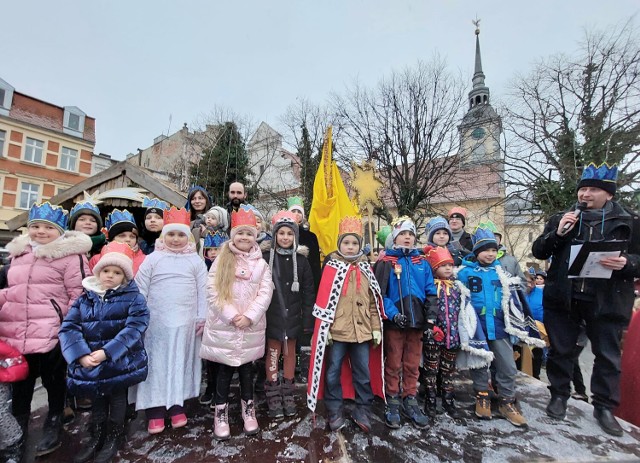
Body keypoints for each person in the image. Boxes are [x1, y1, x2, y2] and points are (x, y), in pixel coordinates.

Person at [532, 162, 640, 436]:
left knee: (607, 355)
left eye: (592, 190)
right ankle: (559, 395)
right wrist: (558, 233)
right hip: (565, 298)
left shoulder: (630, 222)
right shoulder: (563, 218)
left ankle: (604, 406)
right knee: (561, 350)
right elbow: (540, 251)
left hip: (607, 299)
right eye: (583, 189)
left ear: (609, 194)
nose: (585, 195)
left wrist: (627, 262)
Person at [0, 202, 91, 458]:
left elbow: (79, 294)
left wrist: (68, 327)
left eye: (47, 227)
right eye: (35, 226)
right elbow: (12, 290)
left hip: (52, 331)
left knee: (53, 381)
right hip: (17, 332)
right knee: (20, 387)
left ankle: (54, 421)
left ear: (59, 231)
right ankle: (15, 436)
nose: (40, 232)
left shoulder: (71, 256)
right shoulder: (19, 255)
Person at [59, 242, 149, 463]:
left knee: (118, 398)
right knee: (97, 398)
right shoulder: (85, 298)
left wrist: (108, 352)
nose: (110, 276)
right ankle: (97, 434)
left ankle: (114, 435)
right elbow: (69, 327)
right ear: (98, 272)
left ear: (125, 276)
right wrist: (80, 354)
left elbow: (135, 327)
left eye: (117, 272)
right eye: (106, 271)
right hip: (90, 359)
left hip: (119, 360)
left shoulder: (134, 298)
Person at [131, 207, 208, 434]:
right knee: (157, 364)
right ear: (164, 236)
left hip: (185, 322)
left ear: (188, 238)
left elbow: (203, 291)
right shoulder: (152, 259)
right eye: (171, 235)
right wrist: (139, 317)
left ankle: (177, 405)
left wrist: (201, 316)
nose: (176, 239)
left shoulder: (195, 261)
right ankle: (154, 409)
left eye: (181, 235)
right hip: (157, 324)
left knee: (181, 362)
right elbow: (140, 290)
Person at [458, 226, 544, 428]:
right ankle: (482, 396)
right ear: (477, 251)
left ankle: (507, 400)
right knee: (479, 362)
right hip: (476, 326)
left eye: (493, 250)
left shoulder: (502, 273)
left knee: (507, 364)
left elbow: (516, 299)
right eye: (485, 250)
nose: (490, 254)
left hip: (498, 326)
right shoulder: (464, 273)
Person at [307, 216, 385, 433]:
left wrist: (376, 328)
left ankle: (363, 409)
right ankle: (334, 409)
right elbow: (323, 301)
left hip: (362, 332)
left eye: (354, 243)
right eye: (346, 243)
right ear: (339, 244)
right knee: (332, 372)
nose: (350, 247)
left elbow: (372, 302)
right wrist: (326, 329)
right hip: (337, 332)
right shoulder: (331, 268)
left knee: (363, 372)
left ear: (359, 245)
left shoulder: (366, 270)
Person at [200, 208, 273, 440]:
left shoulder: (261, 264)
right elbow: (213, 291)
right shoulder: (222, 259)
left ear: (255, 237)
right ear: (233, 235)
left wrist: (249, 316)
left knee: (246, 371)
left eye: (249, 234)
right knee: (223, 371)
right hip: (226, 326)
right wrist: (232, 315)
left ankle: (248, 411)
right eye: (240, 233)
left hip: (249, 327)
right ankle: (220, 412)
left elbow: (265, 293)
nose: (244, 238)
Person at [373, 216, 437, 429]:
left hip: (417, 322)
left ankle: (410, 397)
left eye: (410, 234)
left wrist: (430, 319)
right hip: (395, 323)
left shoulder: (422, 263)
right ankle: (392, 399)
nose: (407, 238)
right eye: (403, 234)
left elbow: (430, 291)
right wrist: (392, 314)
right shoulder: (386, 262)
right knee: (393, 363)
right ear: (394, 238)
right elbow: (380, 294)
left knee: (411, 363)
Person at [261, 211, 315, 419]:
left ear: (295, 237)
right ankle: (273, 392)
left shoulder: (301, 261)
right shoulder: (265, 258)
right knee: (273, 353)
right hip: (272, 316)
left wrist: (307, 319)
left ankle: (288, 392)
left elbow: (308, 292)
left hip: (294, 316)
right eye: (281, 233)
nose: (285, 237)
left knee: (290, 353)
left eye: (289, 234)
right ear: (274, 235)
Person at [421, 246, 462, 419]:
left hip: (452, 338)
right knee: (431, 369)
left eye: (450, 265)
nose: (447, 268)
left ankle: (448, 398)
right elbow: (424, 310)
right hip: (433, 337)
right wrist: (430, 328)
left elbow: (464, 312)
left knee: (448, 370)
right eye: (443, 265)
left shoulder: (458, 288)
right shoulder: (430, 287)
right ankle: (430, 399)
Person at [198, 229, 229, 407]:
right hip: (208, 316)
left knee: (222, 356)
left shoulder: (228, 268)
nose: (214, 253)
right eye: (210, 250)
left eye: (217, 249)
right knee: (211, 357)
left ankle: (220, 390)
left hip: (225, 317)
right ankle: (210, 386)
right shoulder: (201, 267)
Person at [90, 209, 145, 276]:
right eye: (122, 236)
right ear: (112, 238)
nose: (128, 239)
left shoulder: (145, 260)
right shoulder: (96, 259)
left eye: (132, 236)